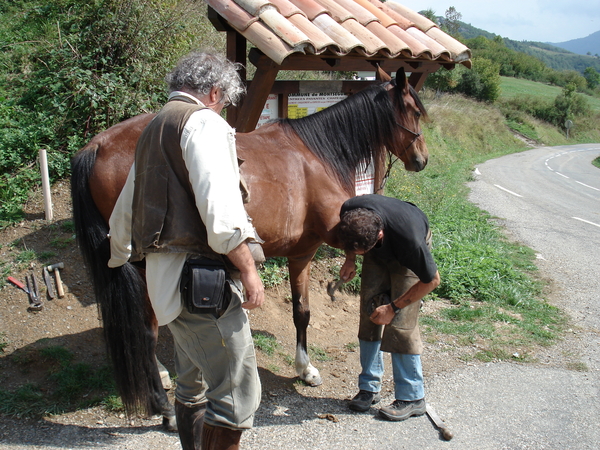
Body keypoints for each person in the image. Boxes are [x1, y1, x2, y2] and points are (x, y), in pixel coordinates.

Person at [108, 50, 264, 450]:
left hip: (169, 288)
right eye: (225, 101)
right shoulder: (203, 123)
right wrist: (248, 268)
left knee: (191, 385)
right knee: (235, 396)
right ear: (214, 92)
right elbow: (222, 212)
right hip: (203, 289)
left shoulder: (153, 128)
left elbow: (125, 208)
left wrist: (120, 255)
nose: (224, 109)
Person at [337, 194, 440, 422]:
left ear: (379, 236)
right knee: (370, 312)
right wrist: (351, 259)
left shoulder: (410, 241)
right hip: (378, 245)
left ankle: (412, 397)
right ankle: (369, 388)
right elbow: (351, 240)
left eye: (361, 251)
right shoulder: (350, 212)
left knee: (402, 322)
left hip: (406, 253)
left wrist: (393, 307)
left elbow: (432, 280)